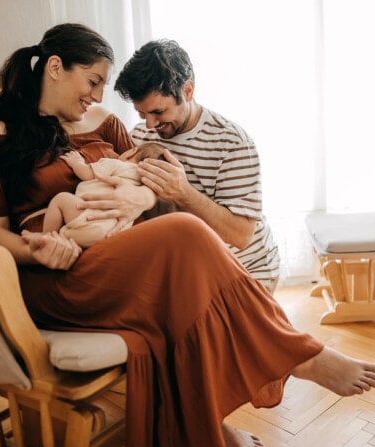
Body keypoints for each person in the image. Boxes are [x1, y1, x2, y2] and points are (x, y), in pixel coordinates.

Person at [0, 23, 375, 447]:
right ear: (55, 68)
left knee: (179, 261)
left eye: (103, 86)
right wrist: (39, 249)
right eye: (93, 82)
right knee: (183, 233)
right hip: (60, 272)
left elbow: (146, 190)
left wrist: (142, 198)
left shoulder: (109, 127)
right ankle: (298, 356)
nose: (98, 98)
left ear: (187, 90)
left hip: (132, 255)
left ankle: (214, 424)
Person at [113, 40, 280, 293]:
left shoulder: (231, 142)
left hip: (245, 271)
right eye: (141, 113)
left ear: (188, 91)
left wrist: (183, 193)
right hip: (188, 269)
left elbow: (241, 235)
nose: (148, 125)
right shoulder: (139, 137)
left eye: (158, 112)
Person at [42, 142, 172, 247]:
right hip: (115, 233)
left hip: (89, 218)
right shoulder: (145, 184)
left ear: (132, 151)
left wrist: (77, 162)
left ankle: (47, 237)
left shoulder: (117, 164)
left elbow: (86, 174)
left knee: (61, 199)